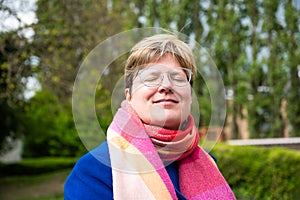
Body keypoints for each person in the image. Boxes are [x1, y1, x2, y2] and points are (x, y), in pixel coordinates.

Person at [64, 34, 236, 200]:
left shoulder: (208, 164)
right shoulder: (93, 171)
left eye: (177, 77)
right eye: (152, 77)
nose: (166, 86)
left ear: (190, 97)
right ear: (129, 96)